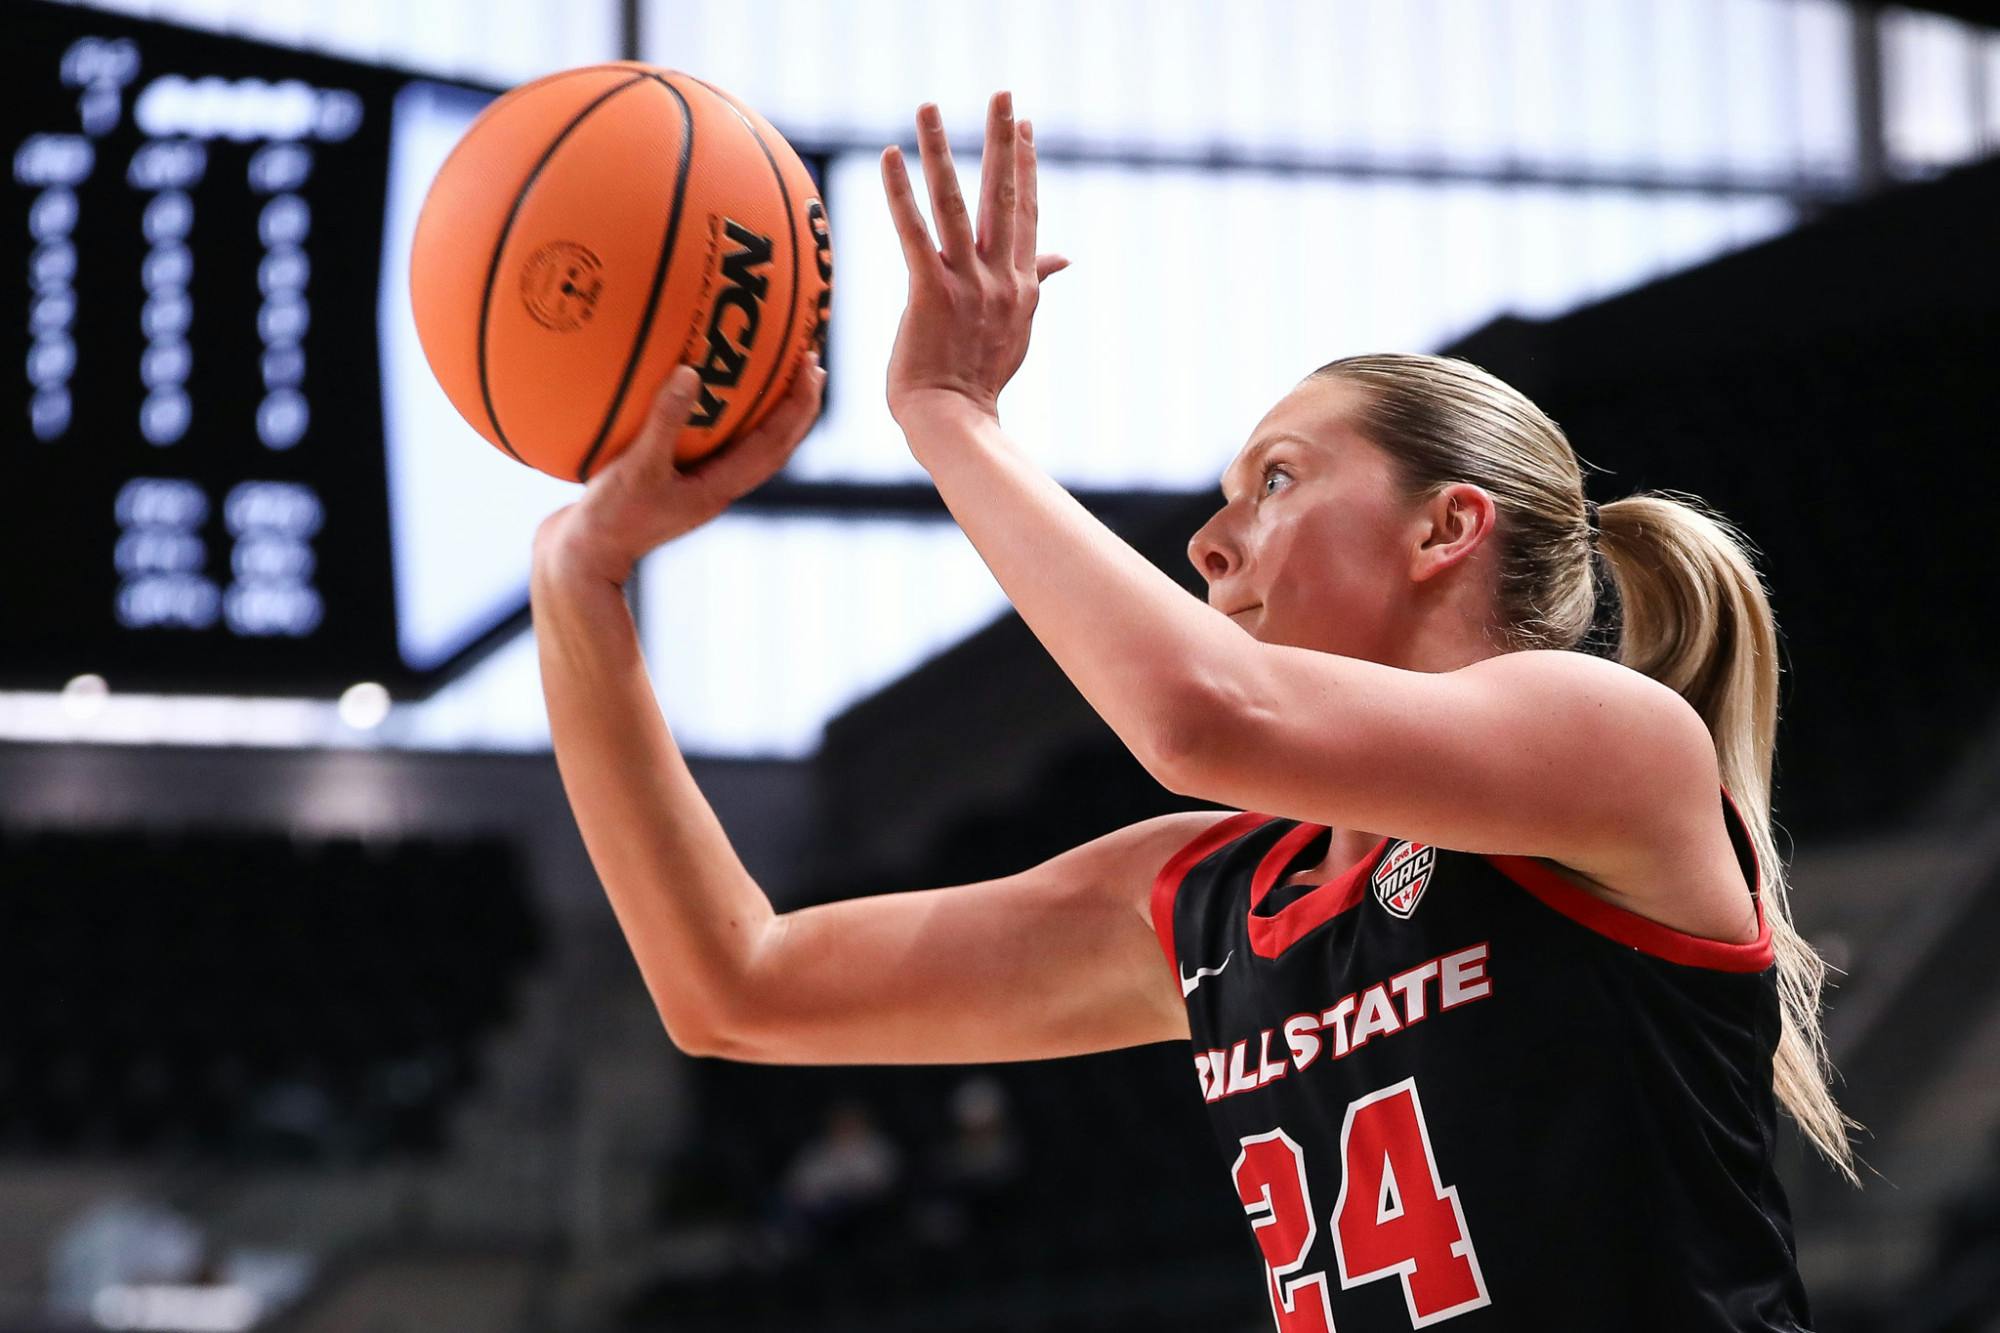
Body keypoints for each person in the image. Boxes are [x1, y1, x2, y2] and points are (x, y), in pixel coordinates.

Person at [530, 91, 1854, 1331]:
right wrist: (579, 585)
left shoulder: (1610, 744)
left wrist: (947, 414)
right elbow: (733, 986)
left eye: (1276, 479)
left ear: (1446, 527)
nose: (1212, 544)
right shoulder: (1210, 901)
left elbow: (1199, 719)